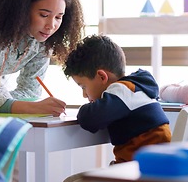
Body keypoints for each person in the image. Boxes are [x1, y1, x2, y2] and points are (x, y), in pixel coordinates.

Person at [63, 34, 171, 164]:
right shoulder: (137, 88)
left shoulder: (122, 91)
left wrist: (83, 110)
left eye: (83, 87)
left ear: (102, 77)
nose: (84, 95)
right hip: (152, 167)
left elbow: (89, 119)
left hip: (141, 172)